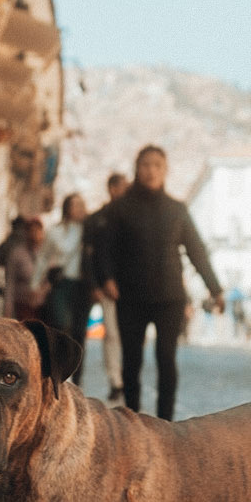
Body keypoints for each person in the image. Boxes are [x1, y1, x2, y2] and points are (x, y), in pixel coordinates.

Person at [96, 144, 225, 420]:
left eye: (157, 165)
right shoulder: (120, 209)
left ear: (165, 171)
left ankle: (166, 423)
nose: (151, 170)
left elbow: (196, 251)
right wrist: (106, 278)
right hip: (130, 297)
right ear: (137, 169)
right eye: (146, 165)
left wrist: (215, 289)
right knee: (132, 361)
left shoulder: (177, 209)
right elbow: (103, 247)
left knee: (167, 360)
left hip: (169, 297)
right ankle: (130, 419)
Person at [85, 172, 128, 400]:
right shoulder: (97, 219)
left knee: (128, 335)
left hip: (131, 287)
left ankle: (127, 377)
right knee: (111, 334)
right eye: (123, 186)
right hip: (108, 287)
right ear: (113, 189)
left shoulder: (133, 216)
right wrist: (96, 284)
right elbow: (91, 256)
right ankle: (116, 381)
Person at [35, 192, 92, 350]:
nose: (80, 208)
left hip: (82, 284)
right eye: (76, 205)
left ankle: (77, 371)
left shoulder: (89, 232)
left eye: (82, 205)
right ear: (67, 208)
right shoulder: (55, 232)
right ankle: (62, 366)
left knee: (79, 330)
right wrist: (35, 283)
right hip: (62, 283)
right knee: (61, 324)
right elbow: (43, 257)